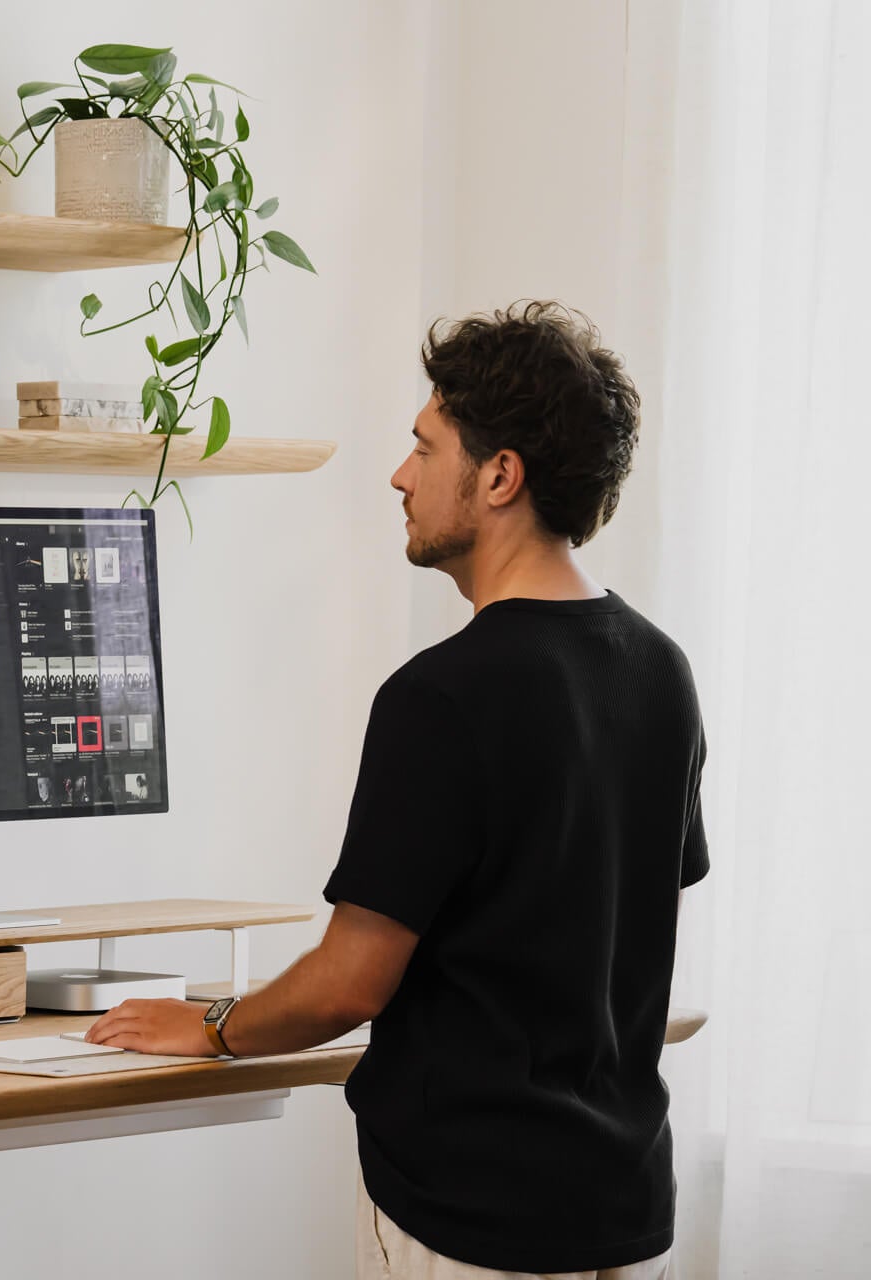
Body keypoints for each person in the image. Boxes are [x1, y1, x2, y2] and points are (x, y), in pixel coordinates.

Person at [87, 302, 707, 1279]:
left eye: (425, 445)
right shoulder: (659, 669)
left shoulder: (442, 695)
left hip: (474, 1213)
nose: (399, 473)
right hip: (623, 1205)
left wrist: (212, 1026)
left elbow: (350, 979)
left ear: (500, 475)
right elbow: (611, 934)